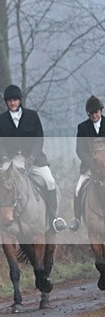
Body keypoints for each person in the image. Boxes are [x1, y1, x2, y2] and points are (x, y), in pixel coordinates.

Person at [0, 84, 67, 237]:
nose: (12, 103)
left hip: (34, 159)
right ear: (6, 102)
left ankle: (54, 219)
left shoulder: (32, 116)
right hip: (11, 161)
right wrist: (4, 158)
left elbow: (39, 139)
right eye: (9, 101)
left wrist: (32, 157)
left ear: (20, 100)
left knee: (50, 181)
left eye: (15, 100)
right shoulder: (1, 120)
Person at [69, 95, 105, 232]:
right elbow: (80, 149)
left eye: (96, 112)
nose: (94, 115)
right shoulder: (83, 127)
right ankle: (77, 219)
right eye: (91, 113)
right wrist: (90, 162)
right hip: (90, 167)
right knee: (78, 189)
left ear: (101, 111)